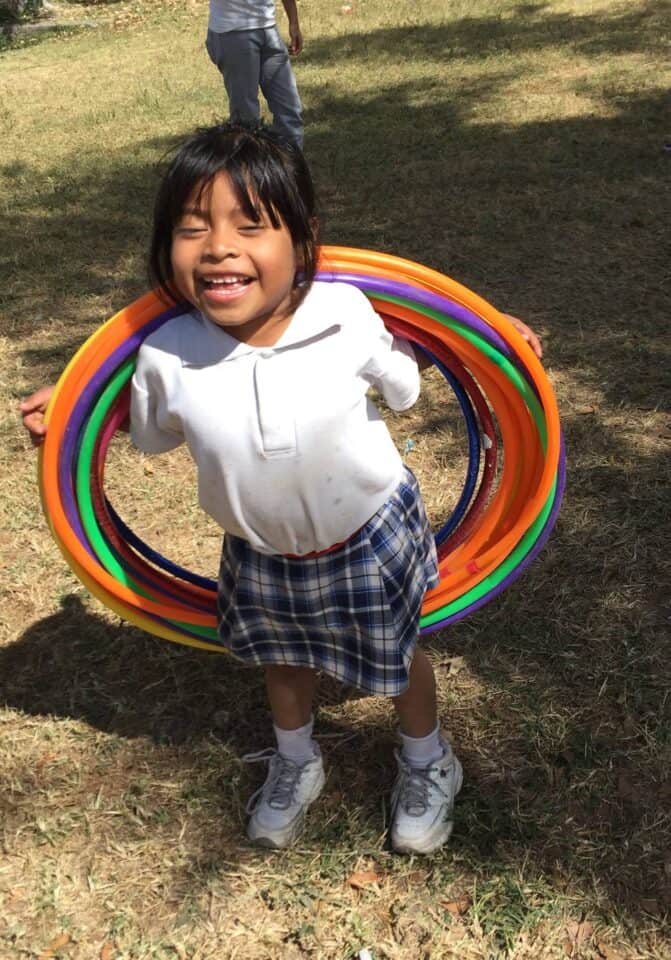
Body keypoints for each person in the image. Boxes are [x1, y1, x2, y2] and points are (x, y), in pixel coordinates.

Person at [20, 121, 542, 854]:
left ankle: (428, 759)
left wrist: (484, 337)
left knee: (395, 655)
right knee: (282, 657)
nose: (219, 247)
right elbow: (146, 430)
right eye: (191, 227)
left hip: (365, 527)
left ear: (302, 239)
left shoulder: (344, 314)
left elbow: (403, 380)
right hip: (260, 547)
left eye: (250, 224)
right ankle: (296, 760)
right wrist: (75, 410)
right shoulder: (166, 354)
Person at [205, 0, 304, 149]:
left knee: (289, 110)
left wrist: (294, 22)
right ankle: (248, 170)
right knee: (246, 119)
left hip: (268, 29)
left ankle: (293, 169)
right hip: (233, 31)